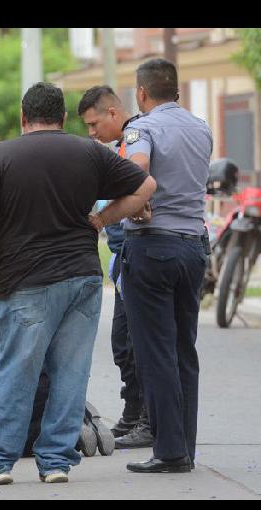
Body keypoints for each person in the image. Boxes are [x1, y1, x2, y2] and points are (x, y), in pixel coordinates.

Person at [0, 82, 156, 486]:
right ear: (64, 118)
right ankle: (55, 462)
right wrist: (103, 220)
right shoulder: (88, 152)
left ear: (22, 117)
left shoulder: (2, 155)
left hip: (25, 281)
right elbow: (145, 186)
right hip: (83, 278)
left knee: (15, 371)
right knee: (70, 373)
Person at [97, 58, 212, 474]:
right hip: (192, 247)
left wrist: (116, 212)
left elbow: (138, 170)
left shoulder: (140, 128)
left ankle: (169, 451)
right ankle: (185, 448)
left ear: (141, 94)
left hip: (152, 247)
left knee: (155, 352)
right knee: (184, 349)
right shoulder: (201, 126)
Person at [78, 86, 154, 449]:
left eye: (94, 124)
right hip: (123, 256)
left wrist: (103, 218)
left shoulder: (136, 140)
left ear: (112, 112)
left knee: (137, 342)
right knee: (123, 342)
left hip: (139, 249)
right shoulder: (117, 147)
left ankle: (147, 420)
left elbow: (142, 183)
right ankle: (132, 412)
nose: (92, 133)